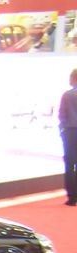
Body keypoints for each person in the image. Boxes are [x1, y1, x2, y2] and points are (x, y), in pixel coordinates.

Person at [59, 68, 77, 206]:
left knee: (70, 164)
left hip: (70, 132)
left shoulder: (67, 95)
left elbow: (62, 115)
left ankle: (72, 197)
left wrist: (62, 129)